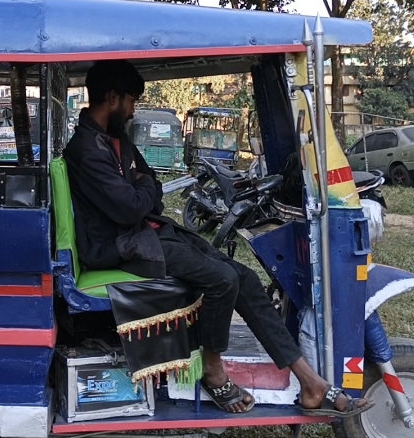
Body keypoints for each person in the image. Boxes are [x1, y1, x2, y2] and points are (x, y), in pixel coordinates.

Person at [64, 60, 373, 417]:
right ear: (113, 97)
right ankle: (213, 371)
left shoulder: (116, 140)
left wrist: (141, 187)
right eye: (131, 101)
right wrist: (142, 188)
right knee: (222, 280)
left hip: (146, 232)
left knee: (244, 277)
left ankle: (310, 382)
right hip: (119, 245)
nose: (133, 110)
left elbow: (152, 188)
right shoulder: (86, 149)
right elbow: (130, 207)